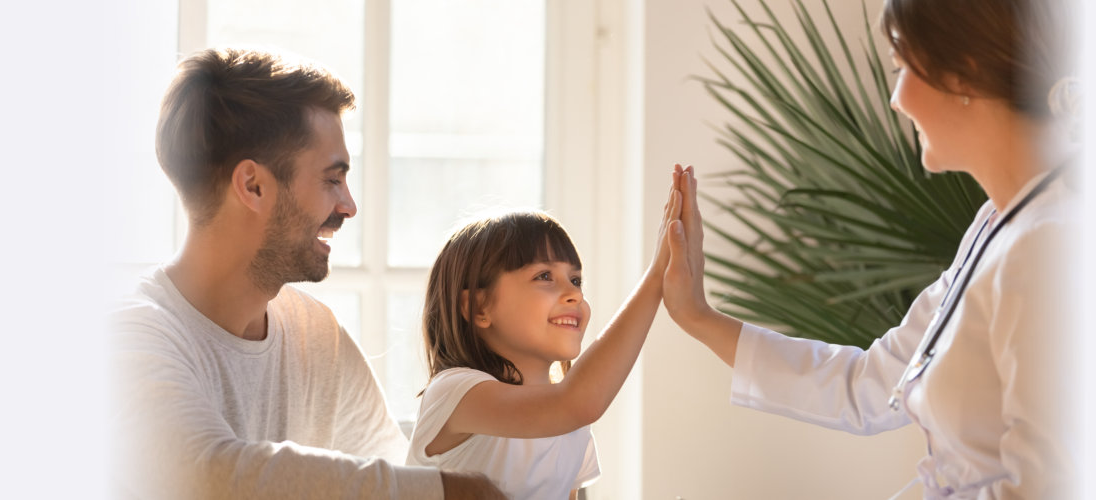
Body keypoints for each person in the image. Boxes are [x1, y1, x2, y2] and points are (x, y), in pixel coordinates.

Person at [658, 0, 1078, 497]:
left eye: (901, 69)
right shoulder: (996, 224)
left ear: (963, 74)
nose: (896, 99)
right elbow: (868, 385)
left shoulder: (1047, 245)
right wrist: (696, 315)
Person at [111, 48, 503, 499]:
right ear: (253, 186)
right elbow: (205, 477)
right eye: (332, 179)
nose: (349, 206)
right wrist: (454, 491)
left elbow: (393, 464)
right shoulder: (132, 335)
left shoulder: (316, 335)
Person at [406, 170, 682, 500]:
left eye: (576, 280)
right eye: (545, 276)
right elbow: (576, 403)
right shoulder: (454, 393)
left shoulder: (572, 422)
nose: (574, 294)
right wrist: (656, 280)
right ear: (479, 307)